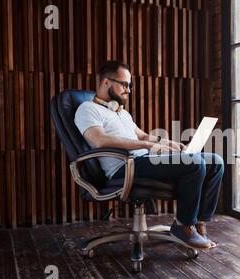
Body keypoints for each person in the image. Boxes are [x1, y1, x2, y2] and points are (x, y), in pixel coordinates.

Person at [74, 60, 224, 250]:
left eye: (130, 85)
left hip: (144, 161)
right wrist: (148, 146)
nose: (129, 90)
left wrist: (168, 143)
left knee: (215, 162)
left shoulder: (121, 112)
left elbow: (143, 135)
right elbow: (99, 140)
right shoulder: (87, 109)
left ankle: (198, 223)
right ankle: (183, 226)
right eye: (125, 84)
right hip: (125, 167)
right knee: (194, 162)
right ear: (106, 82)